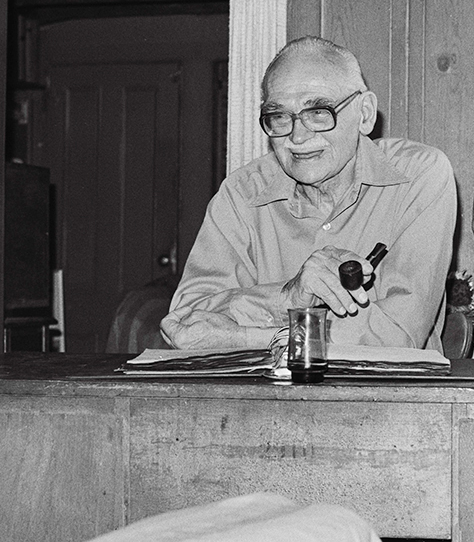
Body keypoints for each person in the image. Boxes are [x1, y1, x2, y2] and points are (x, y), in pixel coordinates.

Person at [161, 36, 457, 351]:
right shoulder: (242, 193)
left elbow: (397, 336)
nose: (298, 137)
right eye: (279, 117)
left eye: (318, 112)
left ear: (365, 114)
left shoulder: (417, 175)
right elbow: (186, 324)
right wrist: (288, 296)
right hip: (265, 384)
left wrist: (247, 337)